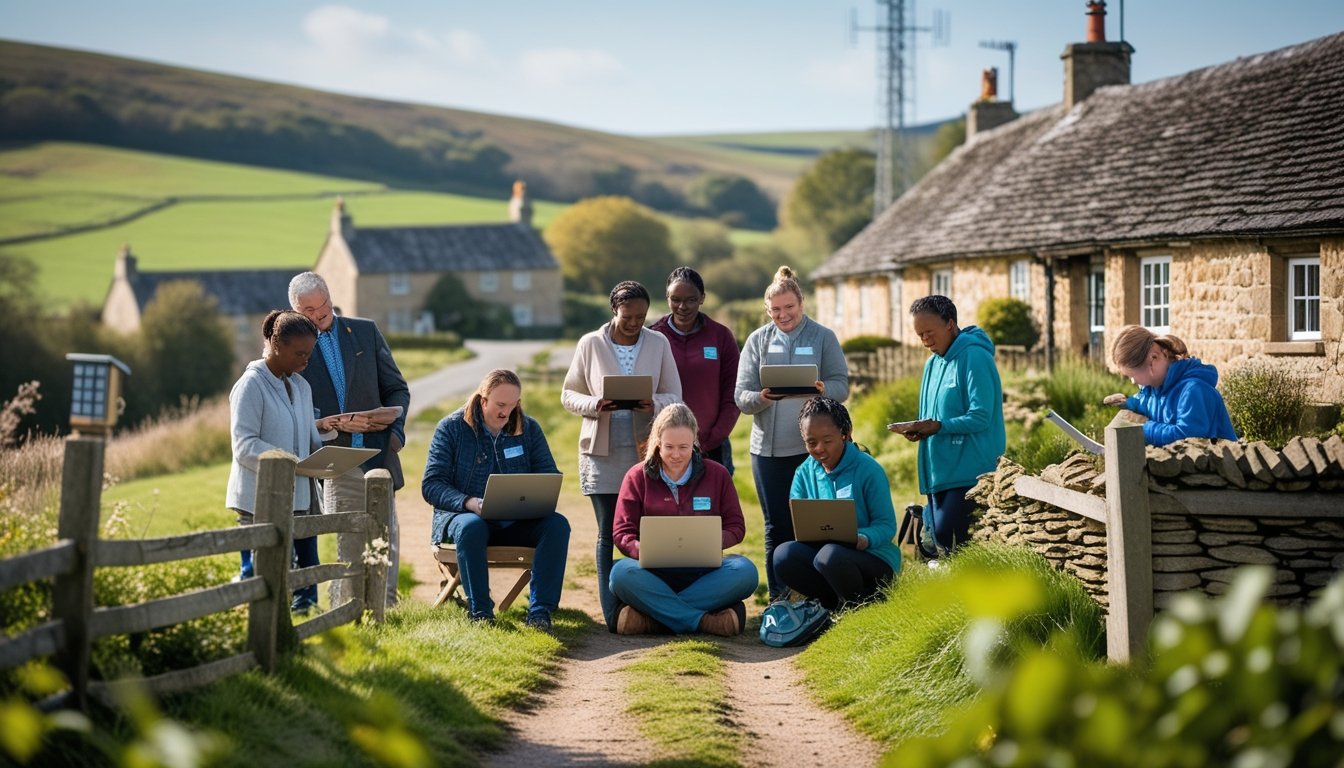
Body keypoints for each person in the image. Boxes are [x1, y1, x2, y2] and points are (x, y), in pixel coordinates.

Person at [562, 280, 683, 631]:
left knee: (648, 529)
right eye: (628, 316)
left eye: (642, 317)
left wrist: (654, 403)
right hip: (601, 451)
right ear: (614, 310)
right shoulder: (590, 343)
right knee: (607, 533)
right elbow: (569, 394)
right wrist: (594, 405)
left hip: (647, 451)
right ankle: (611, 613)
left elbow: (675, 393)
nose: (635, 323)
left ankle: (650, 606)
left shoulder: (658, 343)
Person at [289, 271, 410, 610]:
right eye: (308, 310)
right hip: (334, 459)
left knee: (387, 537)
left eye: (322, 305)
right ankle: (348, 611)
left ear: (330, 297)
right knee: (349, 541)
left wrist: (396, 435)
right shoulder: (295, 348)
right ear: (296, 311)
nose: (317, 314)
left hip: (378, 455)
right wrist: (320, 425)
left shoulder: (366, 332)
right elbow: (293, 408)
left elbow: (397, 389)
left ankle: (386, 612)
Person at [422, 369, 570, 628]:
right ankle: (480, 613)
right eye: (501, 405)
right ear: (483, 400)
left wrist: (538, 496)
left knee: (557, 525)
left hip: (515, 521)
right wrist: (468, 502)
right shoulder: (451, 428)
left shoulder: (529, 428)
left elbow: (548, 475)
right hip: (463, 520)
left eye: (513, 406)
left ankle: (540, 612)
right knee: (471, 526)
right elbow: (432, 485)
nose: (506, 413)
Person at [735, 266, 848, 601]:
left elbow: (841, 386)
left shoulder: (823, 337)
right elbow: (741, 396)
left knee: (815, 526)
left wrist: (821, 390)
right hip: (768, 454)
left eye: (789, 307)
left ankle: (817, 598)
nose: (783, 315)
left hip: (813, 452)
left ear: (802, 303)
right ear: (767, 311)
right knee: (776, 527)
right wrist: (761, 398)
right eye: (776, 310)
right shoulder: (757, 340)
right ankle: (779, 601)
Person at [609, 404, 758, 636]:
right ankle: (703, 621)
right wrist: (643, 549)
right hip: (652, 574)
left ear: (694, 443)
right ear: (657, 442)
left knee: (746, 571)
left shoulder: (718, 474)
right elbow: (622, 532)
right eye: (669, 447)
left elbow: (736, 526)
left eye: (684, 447)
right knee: (619, 574)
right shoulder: (636, 477)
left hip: (704, 573)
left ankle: (655, 618)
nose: (676, 455)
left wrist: (713, 540)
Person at [226, 310, 337, 615]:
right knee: (259, 574)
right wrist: (290, 461)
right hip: (258, 499)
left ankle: (303, 629)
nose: (306, 360)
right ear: (276, 343)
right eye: (299, 353)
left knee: (307, 578)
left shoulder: (301, 387)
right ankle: (252, 625)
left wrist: (325, 438)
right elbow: (244, 445)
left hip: (300, 497)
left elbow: (306, 442)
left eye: (310, 353)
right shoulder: (250, 385)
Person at [895, 295, 1005, 556]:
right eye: (919, 334)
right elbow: (932, 418)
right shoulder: (931, 364)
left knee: (953, 543)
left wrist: (937, 427)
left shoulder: (975, 357)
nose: (925, 341)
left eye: (929, 332)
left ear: (950, 324)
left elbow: (981, 416)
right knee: (940, 545)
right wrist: (920, 429)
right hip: (937, 471)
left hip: (970, 470)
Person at [775, 398, 899, 610]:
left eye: (827, 440)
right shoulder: (804, 473)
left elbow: (887, 525)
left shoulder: (869, 469)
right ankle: (831, 607)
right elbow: (801, 524)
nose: (819, 449)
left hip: (872, 558)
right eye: (811, 442)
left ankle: (860, 606)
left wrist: (863, 538)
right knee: (783, 556)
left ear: (845, 433)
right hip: (825, 555)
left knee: (830, 556)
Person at [649, 266, 741, 471]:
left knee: (710, 503)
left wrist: (713, 437)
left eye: (691, 299)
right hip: (663, 446)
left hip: (712, 446)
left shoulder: (721, 336)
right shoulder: (652, 337)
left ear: (702, 298)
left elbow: (732, 394)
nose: (683, 306)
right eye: (676, 299)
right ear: (667, 298)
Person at [1103, 324, 1238, 446]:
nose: (1133, 381)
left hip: (1216, 470)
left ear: (1153, 359)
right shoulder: (1155, 388)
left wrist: (1143, 427)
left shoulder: (1193, 391)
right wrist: (1127, 403)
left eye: (1132, 375)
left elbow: (1187, 437)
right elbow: (1145, 403)